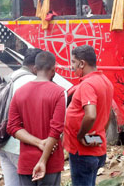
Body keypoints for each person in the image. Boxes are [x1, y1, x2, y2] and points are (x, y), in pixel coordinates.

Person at [7, 51, 66, 186]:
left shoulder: (20, 92)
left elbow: (12, 127)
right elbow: (56, 130)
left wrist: (38, 143)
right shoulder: (58, 93)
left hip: (26, 162)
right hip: (50, 163)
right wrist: (42, 161)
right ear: (53, 69)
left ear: (35, 68)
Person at [64, 45, 114, 186]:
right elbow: (108, 113)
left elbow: (91, 115)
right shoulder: (106, 81)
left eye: (73, 62)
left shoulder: (87, 85)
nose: (71, 66)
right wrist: (100, 132)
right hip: (97, 147)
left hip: (83, 152)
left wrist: (80, 136)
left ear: (82, 63)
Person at [0, 48, 42, 186]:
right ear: (35, 67)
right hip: (19, 145)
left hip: (2, 142)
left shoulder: (11, 77)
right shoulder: (33, 82)